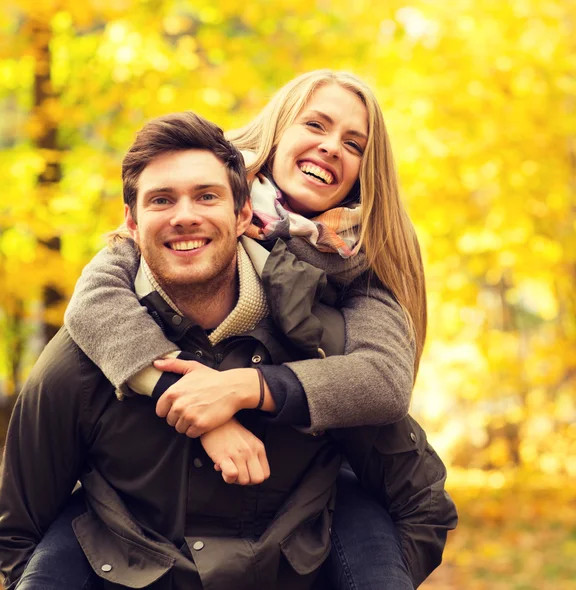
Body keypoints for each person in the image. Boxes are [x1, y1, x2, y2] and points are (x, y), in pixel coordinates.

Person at [61, 70, 453, 588]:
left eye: (353, 143)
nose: (331, 146)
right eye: (316, 124)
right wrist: (192, 400)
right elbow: (93, 302)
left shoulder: (359, 261)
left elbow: (383, 379)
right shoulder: (200, 196)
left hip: (313, 487)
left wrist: (243, 388)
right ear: (278, 130)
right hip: (163, 492)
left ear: (363, 170)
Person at [0, 112, 351, 590]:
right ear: (132, 224)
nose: (185, 216)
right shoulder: (75, 367)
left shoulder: (318, 342)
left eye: (206, 196)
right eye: (161, 200)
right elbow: (17, 536)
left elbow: (415, 504)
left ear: (244, 216)